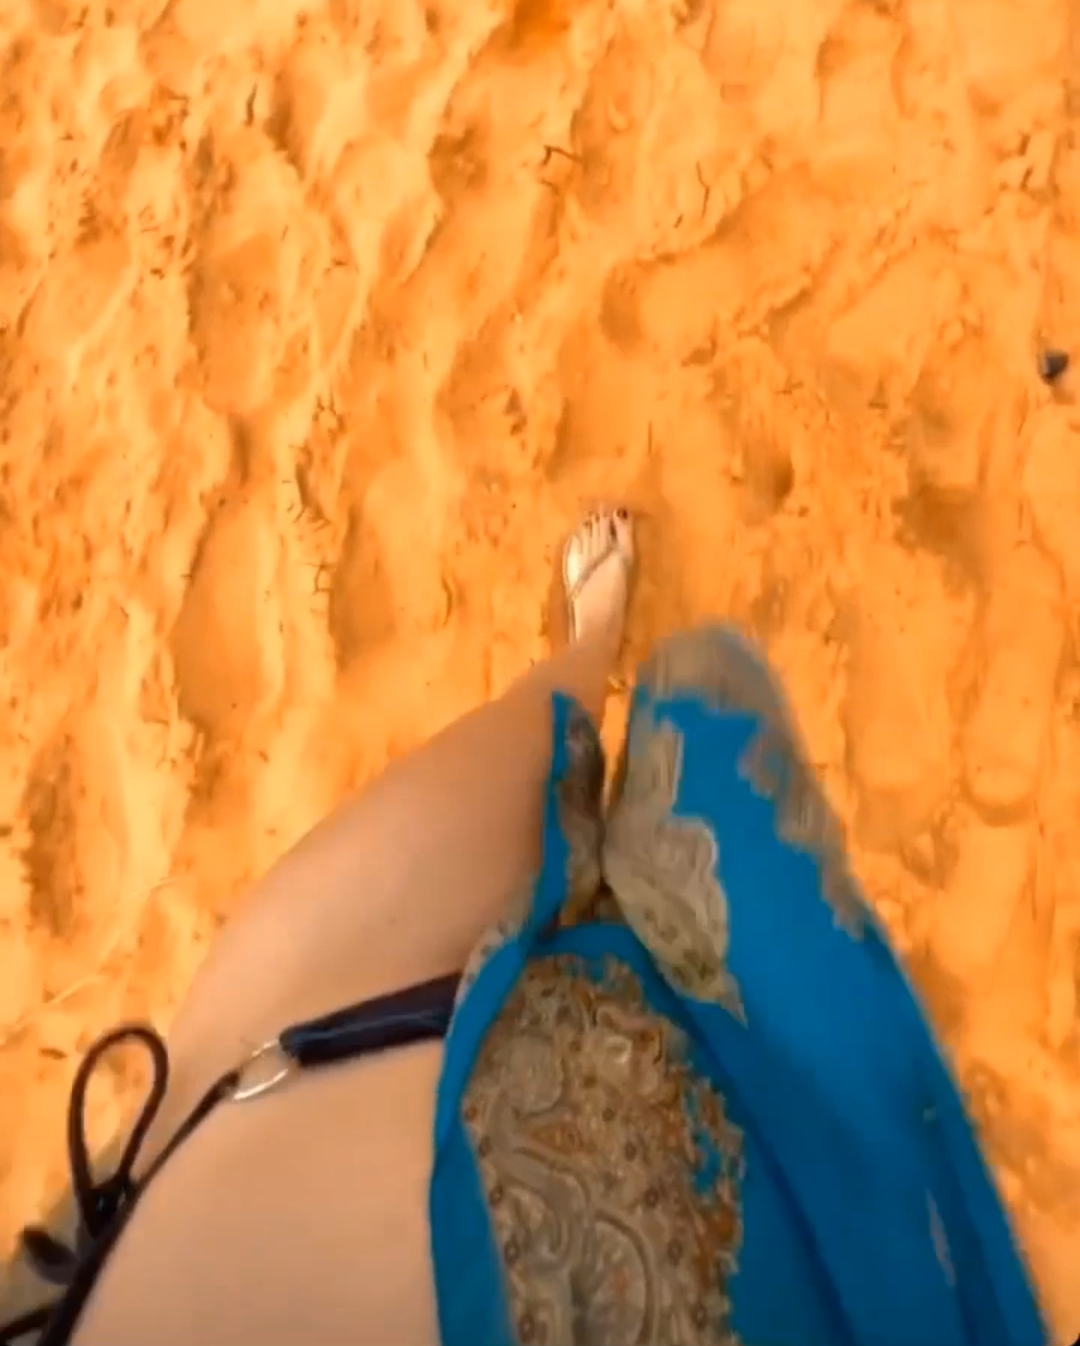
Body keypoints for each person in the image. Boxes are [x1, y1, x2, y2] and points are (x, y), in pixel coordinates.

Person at [0, 509, 1052, 1345]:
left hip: (256, 1110)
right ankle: (586, 654)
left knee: (198, 1062)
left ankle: (585, 651)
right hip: (370, 1083)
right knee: (314, 934)